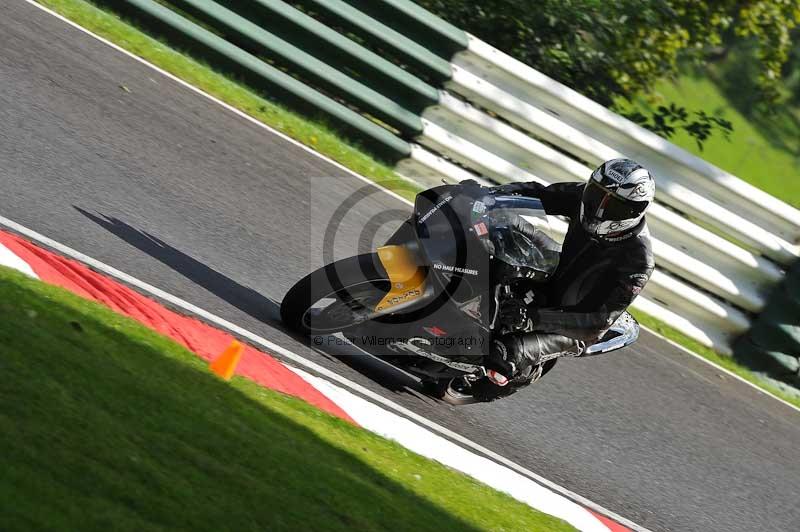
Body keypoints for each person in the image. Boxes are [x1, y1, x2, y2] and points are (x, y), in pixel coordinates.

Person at [475, 158, 656, 401]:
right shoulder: (584, 197)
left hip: (575, 321)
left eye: (613, 207)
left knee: (505, 354)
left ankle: (504, 375)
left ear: (635, 211)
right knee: (498, 226)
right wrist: (488, 195)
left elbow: (597, 320)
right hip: (555, 272)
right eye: (596, 195)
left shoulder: (638, 260)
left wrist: (533, 318)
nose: (599, 209)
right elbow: (538, 194)